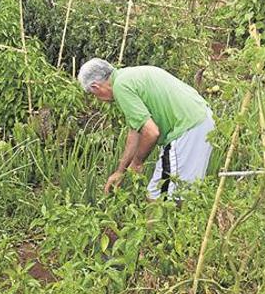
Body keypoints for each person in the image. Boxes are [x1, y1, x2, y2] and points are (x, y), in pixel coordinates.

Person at [77, 58, 214, 200]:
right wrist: (120, 171)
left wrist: (137, 163)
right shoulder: (129, 76)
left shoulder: (121, 87)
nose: (98, 99)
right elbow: (135, 132)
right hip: (201, 119)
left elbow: (151, 132)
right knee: (183, 194)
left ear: (95, 87)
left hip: (187, 129)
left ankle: (158, 223)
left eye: (94, 95)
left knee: (157, 196)